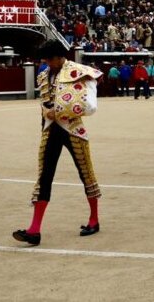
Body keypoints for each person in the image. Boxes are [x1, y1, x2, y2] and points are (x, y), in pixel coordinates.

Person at [13, 40, 103, 246]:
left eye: (50, 59)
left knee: (86, 173)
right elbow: (44, 104)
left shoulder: (81, 72)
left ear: (60, 56)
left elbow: (90, 107)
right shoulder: (44, 75)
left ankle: (94, 219)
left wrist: (60, 112)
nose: (47, 63)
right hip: (50, 130)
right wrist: (46, 115)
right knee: (44, 177)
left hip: (73, 130)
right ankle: (34, 230)